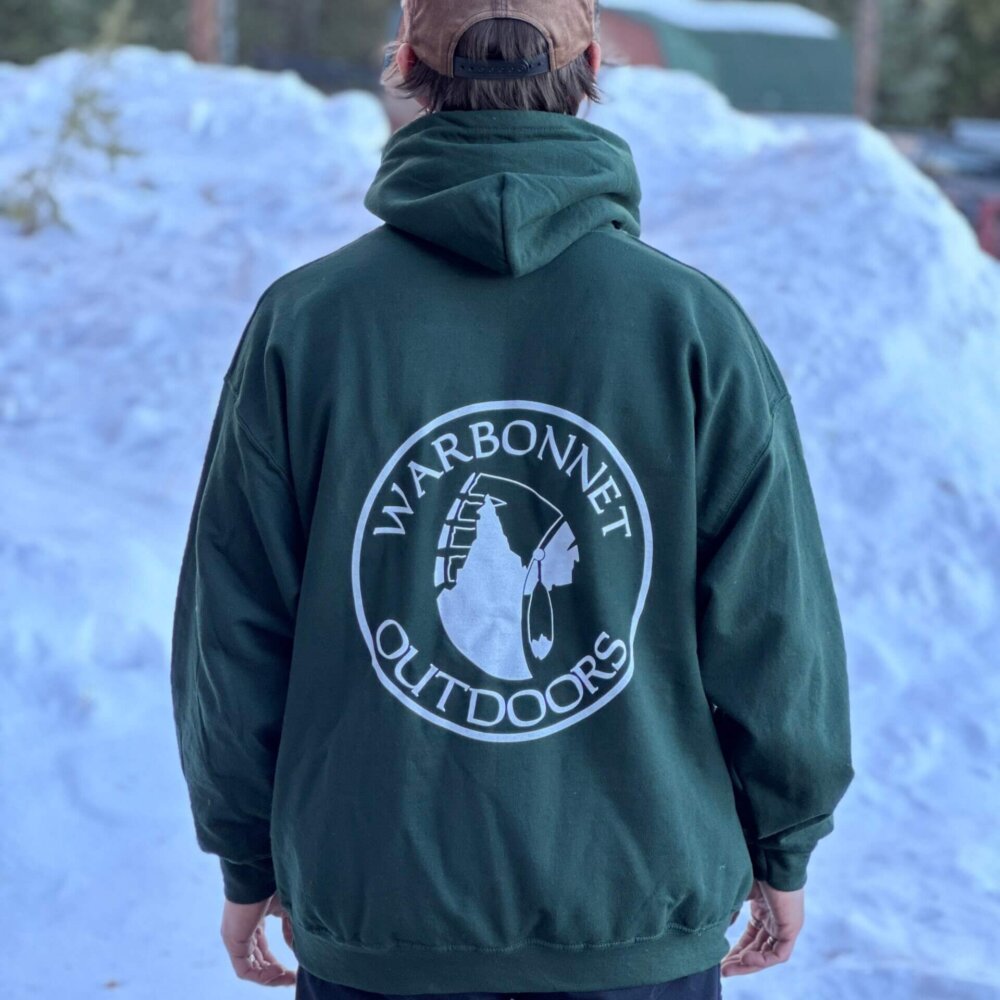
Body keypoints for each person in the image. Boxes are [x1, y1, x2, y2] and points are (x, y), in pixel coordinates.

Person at [169, 1, 855, 998]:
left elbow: (233, 625)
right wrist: (783, 841)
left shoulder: (306, 326)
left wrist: (246, 856)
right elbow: (771, 622)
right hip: (634, 909)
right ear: (593, 73)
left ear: (406, 65)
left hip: (378, 911)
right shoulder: (691, 326)